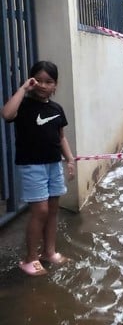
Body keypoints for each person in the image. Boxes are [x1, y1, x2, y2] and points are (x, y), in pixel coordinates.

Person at [1, 60, 75, 276]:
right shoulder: (23, 105)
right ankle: (30, 258)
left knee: (52, 210)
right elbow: (6, 114)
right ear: (32, 81)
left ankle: (49, 252)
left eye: (48, 82)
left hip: (53, 165)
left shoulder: (56, 108)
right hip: (32, 166)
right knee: (40, 211)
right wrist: (23, 88)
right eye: (39, 81)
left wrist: (69, 160)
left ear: (55, 85)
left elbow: (61, 138)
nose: (43, 85)